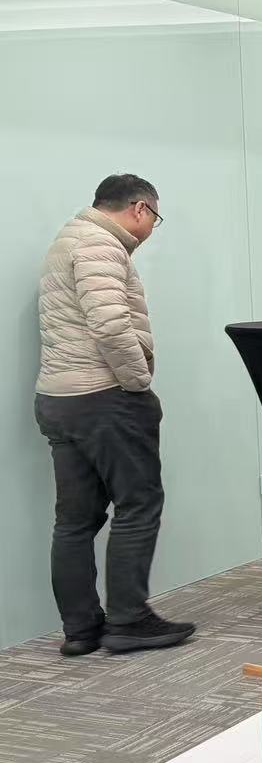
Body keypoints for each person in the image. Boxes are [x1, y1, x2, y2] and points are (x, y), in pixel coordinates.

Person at [35, 174, 193, 655]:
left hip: (59, 398)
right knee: (138, 503)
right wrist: (137, 383)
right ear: (140, 209)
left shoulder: (69, 237)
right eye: (154, 219)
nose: (150, 230)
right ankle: (128, 620)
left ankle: (81, 630)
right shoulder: (100, 244)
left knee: (75, 520)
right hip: (102, 397)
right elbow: (109, 325)